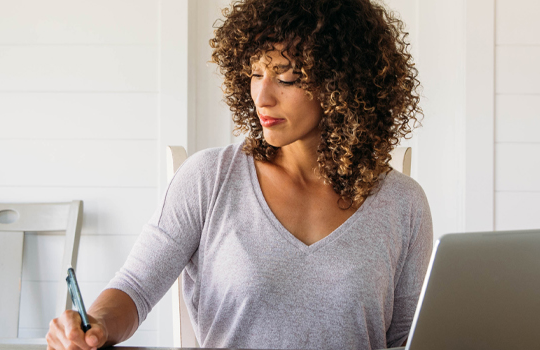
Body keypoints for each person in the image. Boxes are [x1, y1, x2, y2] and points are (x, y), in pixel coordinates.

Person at [46, 0, 427, 349]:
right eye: (255, 73)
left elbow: (409, 339)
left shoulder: (402, 203)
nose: (261, 96)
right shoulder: (210, 178)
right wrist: (93, 324)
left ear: (343, 83)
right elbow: (134, 289)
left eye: (286, 77)